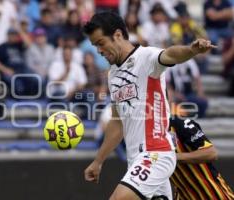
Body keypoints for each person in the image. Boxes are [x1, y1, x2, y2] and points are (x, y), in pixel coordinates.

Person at [82, 12, 215, 200]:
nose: (99, 50)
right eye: (95, 45)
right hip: (135, 161)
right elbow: (117, 122)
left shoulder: (146, 56)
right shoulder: (113, 74)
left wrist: (191, 50)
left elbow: (170, 54)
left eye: (101, 43)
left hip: (156, 153)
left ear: (118, 35)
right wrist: (98, 161)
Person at [169, 116, 234, 200]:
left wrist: (172, 157)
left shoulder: (179, 124)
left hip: (212, 194)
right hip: (183, 195)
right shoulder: (148, 136)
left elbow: (210, 153)